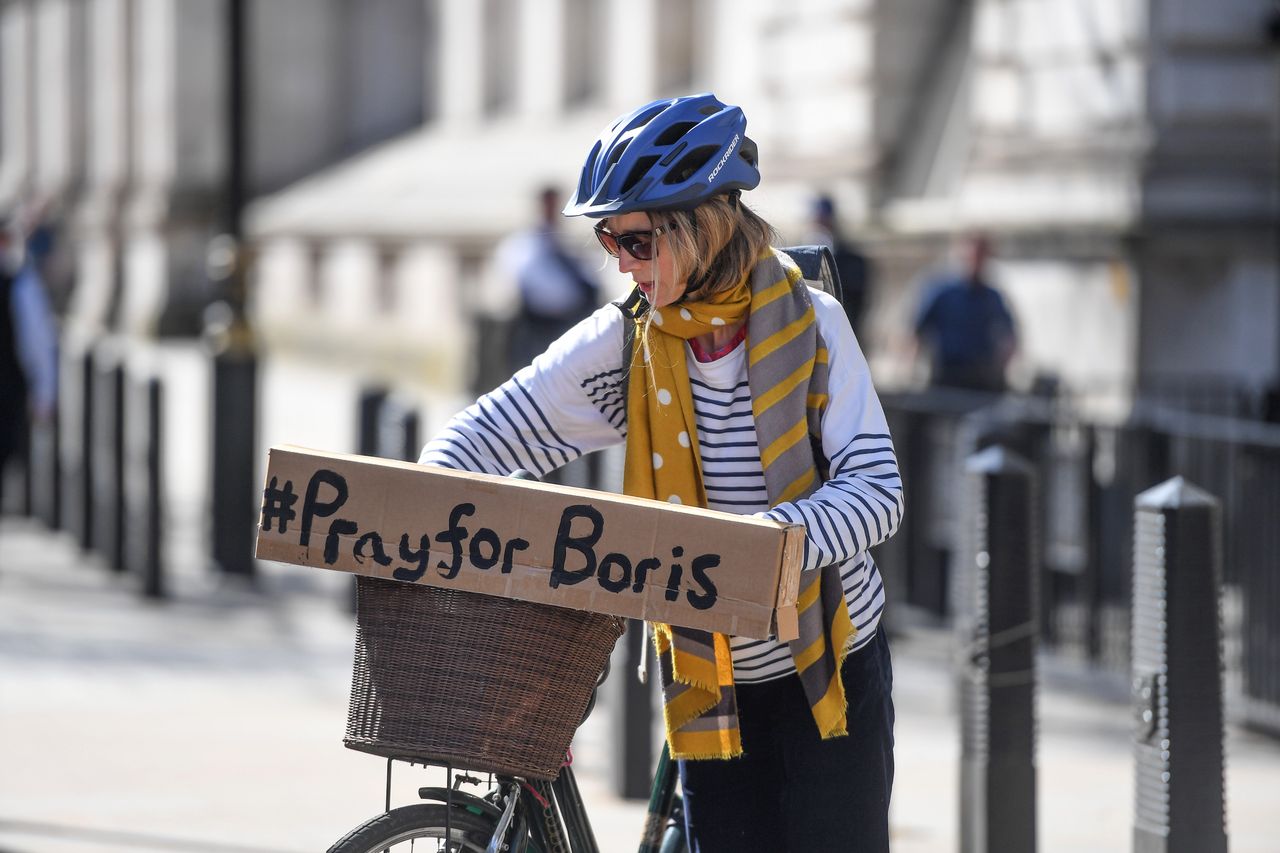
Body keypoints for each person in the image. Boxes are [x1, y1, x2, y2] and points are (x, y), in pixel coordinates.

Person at [419, 93, 903, 852]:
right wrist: (417, 520)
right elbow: (480, 437)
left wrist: (768, 543)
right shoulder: (626, 344)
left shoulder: (813, 324)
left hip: (829, 669)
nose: (619, 260)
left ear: (700, 226)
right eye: (609, 240)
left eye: (637, 240)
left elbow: (877, 492)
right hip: (714, 686)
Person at [498, 185, 601, 373]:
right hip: (537, 327)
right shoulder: (524, 245)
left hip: (571, 323)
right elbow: (525, 283)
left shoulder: (569, 243)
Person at [0, 216, 58, 510]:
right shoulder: (20, 286)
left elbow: (34, 344)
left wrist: (43, 394)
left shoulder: (20, 286)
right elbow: (36, 346)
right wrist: (44, 394)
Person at [912, 233, 1017, 393]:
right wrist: (914, 366)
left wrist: (1002, 364)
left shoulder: (992, 297)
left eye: (981, 257)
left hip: (982, 375)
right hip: (947, 373)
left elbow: (1009, 334)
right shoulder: (942, 291)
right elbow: (917, 330)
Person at [805, 193, 871, 342]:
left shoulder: (853, 261)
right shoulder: (796, 258)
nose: (821, 225)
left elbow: (859, 301)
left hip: (843, 333)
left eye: (824, 220)